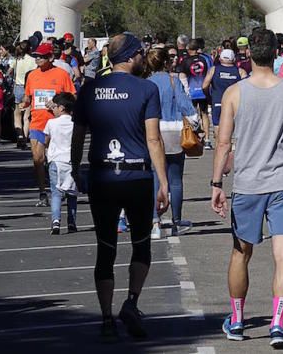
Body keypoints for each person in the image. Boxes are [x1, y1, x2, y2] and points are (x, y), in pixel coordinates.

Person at [211, 29, 283, 348]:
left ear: (249, 54)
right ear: (276, 53)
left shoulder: (235, 93)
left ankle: (238, 320)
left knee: (241, 253)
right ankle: (278, 324)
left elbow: (224, 141)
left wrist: (217, 183)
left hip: (248, 184)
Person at [71, 33, 170, 340]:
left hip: (102, 178)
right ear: (129, 57)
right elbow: (153, 138)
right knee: (141, 243)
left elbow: (78, 135)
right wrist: (163, 181)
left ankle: (106, 318)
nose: (143, 57)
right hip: (137, 178)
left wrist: (75, 170)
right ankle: (131, 301)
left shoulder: (89, 89)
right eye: (140, 52)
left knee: (106, 248)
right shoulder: (146, 89)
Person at [146, 48, 200, 239]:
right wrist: (196, 122)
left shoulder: (146, 83)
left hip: (154, 132)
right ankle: (176, 221)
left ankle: (154, 222)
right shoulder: (173, 80)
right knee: (175, 180)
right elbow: (186, 105)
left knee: (154, 178)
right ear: (166, 63)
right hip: (175, 131)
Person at [23, 42, 76, 206]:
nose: (37, 59)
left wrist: (56, 104)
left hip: (56, 124)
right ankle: (42, 193)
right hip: (37, 123)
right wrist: (24, 103)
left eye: (41, 56)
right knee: (38, 159)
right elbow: (28, 97)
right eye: (36, 56)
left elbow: (72, 96)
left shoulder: (61, 74)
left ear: (50, 57)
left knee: (57, 159)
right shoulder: (32, 75)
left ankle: (61, 187)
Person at [44, 92, 78, 234]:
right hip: (71, 161)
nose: (53, 109)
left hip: (55, 161)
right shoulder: (75, 123)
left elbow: (46, 140)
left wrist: (46, 148)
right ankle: (72, 222)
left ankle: (56, 220)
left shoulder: (51, 123)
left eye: (55, 106)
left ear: (62, 108)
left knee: (56, 192)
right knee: (72, 193)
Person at [203, 49, 246, 134]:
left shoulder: (213, 70)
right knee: (231, 134)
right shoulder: (240, 71)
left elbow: (204, 86)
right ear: (233, 60)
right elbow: (247, 88)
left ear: (220, 59)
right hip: (234, 105)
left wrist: (209, 97)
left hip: (218, 103)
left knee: (218, 133)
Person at [179, 39, 212, 150]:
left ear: (189, 49)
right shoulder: (205, 59)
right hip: (203, 90)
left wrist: (185, 91)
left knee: (192, 115)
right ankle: (207, 139)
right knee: (204, 114)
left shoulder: (185, 61)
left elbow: (182, 77)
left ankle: (194, 138)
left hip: (191, 92)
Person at [13, 41, 36, 148]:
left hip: (18, 87)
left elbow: (11, 72)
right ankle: (25, 138)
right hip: (28, 87)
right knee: (27, 116)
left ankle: (19, 136)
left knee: (17, 114)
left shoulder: (17, 60)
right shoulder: (33, 60)